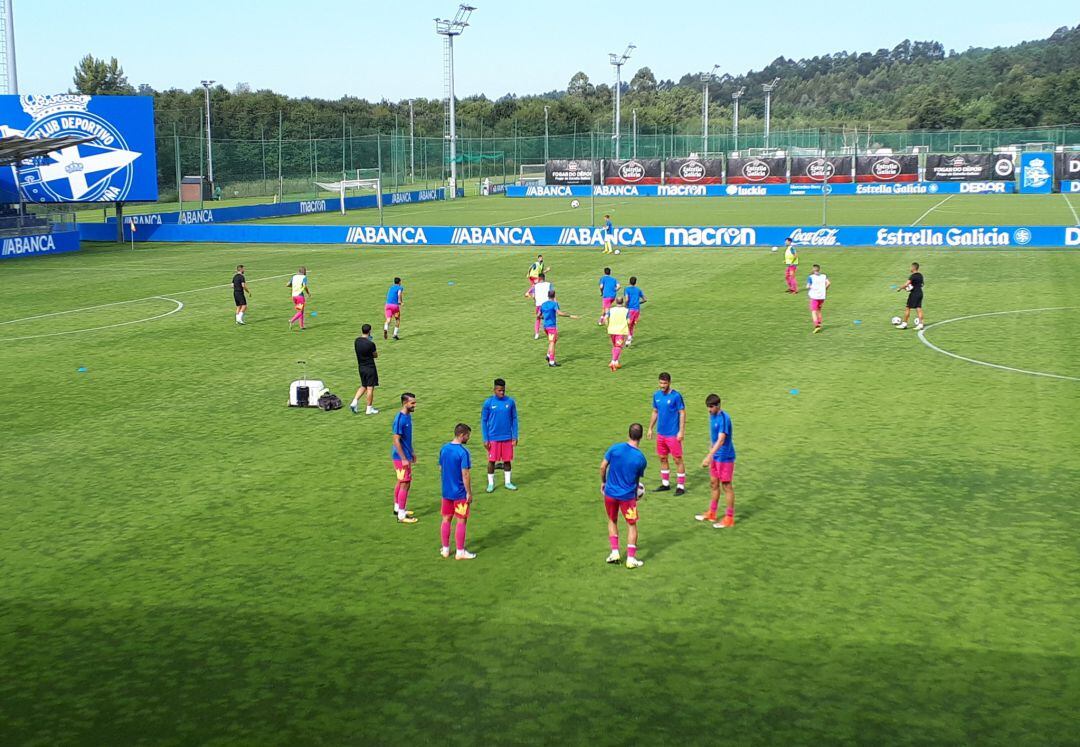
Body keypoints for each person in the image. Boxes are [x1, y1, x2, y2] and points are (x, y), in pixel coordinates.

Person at [600, 422, 648, 569]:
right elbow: (636, 479)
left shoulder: (615, 448)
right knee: (631, 525)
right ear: (640, 437)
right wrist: (635, 494)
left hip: (610, 494)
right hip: (627, 497)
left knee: (612, 520)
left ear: (628, 434)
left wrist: (604, 482)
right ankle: (631, 559)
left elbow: (602, 467)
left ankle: (615, 552)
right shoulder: (641, 459)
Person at [696, 394, 736, 528]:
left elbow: (721, 439)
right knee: (713, 484)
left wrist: (709, 456)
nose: (709, 410)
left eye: (711, 407)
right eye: (708, 407)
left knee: (726, 486)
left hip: (725, 457)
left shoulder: (724, 418)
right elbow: (713, 437)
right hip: (716, 456)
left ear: (718, 406)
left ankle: (729, 518)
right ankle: (712, 513)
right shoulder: (712, 416)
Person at [438, 423, 476, 560]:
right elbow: (465, 474)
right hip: (459, 493)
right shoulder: (463, 452)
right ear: (461, 435)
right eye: (467, 436)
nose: (468, 438)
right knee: (461, 521)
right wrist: (469, 492)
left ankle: (446, 550)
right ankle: (460, 552)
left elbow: (441, 468)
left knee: (446, 519)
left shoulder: (444, 449)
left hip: (446, 492)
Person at [646, 372, 687, 495]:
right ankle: (665, 484)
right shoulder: (656, 395)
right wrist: (650, 428)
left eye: (664, 383)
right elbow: (655, 412)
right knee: (662, 458)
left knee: (677, 459)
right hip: (661, 434)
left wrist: (681, 431)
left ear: (669, 383)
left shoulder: (676, 396)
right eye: (660, 383)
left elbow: (682, 413)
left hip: (673, 434)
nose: (662, 385)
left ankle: (680, 486)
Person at [480, 378, 519, 492]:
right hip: (493, 438)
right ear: (494, 390)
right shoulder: (488, 403)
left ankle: (508, 482)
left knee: (507, 461)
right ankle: (491, 484)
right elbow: (483, 421)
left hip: (507, 437)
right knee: (492, 461)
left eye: (503, 390)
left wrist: (515, 436)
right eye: (499, 390)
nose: (502, 392)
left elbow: (514, 419)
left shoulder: (510, 402)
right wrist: (485, 439)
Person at [391, 393, 418, 524]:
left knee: (401, 481)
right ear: (404, 403)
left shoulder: (408, 416)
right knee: (405, 483)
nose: (414, 405)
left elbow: (406, 439)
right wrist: (403, 458)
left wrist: (411, 452)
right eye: (412, 403)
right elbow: (396, 440)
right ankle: (401, 514)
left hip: (405, 455)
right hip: (400, 457)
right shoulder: (400, 419)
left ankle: (397, 507)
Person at [539, 289, 579, 367]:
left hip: (545, 327)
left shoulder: (543, 304)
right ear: (554, 296)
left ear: (548, 295)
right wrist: (570, 316)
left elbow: (538, 315)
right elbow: (559, 313)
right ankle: (551, 361)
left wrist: (544, 317)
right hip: (551, 327)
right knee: (552, 343)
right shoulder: (554, 304)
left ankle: (548, 355)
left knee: (554, 339)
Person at [350, 323, 380, 415]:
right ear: (369, 331)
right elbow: (375, 355)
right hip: (370, 367)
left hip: (361, 367)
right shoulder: (371, 344)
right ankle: (369, 409)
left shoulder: (357, 341)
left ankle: (354, 402)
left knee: (364, 385)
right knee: (370, 388)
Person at [895, 262, 925, 330]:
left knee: (908, 308)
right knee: (919, 309)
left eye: (911, 267)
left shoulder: (913, 276)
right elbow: (922, 284)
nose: (910, 268)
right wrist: (911, 287)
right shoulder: (920, 275)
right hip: (920, 293)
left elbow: (906, 284)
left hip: (914, 294)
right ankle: (921, 324)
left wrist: (900, 288)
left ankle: (904, 324)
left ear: (913, 268)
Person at [525, 272, 553, 339]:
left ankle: (537, 334)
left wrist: (534, 300)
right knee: (548, 318)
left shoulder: (535, 286)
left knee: (538, 318)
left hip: (538, 304)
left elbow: (528, 295)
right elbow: (552, 294)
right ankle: (550, 333)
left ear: (539, 278)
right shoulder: (549, 284)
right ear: (544, 278)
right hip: (547, 304)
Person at [606, 296, 631, 372]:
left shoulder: (611, 310)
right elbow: (629, 321)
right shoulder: (626, 310)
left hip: (611, 330)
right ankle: (613, 362)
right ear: (622, 302)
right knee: (618, 346)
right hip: (620, 331)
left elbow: (605, 319)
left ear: (616, 302)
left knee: (615, 346)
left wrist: (608, 325)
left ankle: (616, 361)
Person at [806, 264, 830, 333]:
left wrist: (811, 287)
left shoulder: (810, 277)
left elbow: (807, 286)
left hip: (814, 296)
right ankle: (819, 323)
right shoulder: (824, 276)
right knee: (819, 310)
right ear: (819, 269)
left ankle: (817, 326)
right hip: (822, 296)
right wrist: (824, 289)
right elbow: (828, 283)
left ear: (813, 270)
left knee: (813, 311)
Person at [623, 276, 647, 344]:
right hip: (637, 309)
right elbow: (645, 299)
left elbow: (627, 299)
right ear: (635, 283)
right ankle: (630, 337)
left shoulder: (627, 289)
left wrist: (625, 306)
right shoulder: (638, 290)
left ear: (629, 281)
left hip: (630, 309)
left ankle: (629, 337)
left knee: (627, 323)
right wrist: (638, 303)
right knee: (632, 324)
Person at [287, 266, 310, 330]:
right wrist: (308, 293)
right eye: (305, 271)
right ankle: (292, 320)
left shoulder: (294, 277)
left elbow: (287, 284)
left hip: (294, 296)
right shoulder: (304, 277)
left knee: (300, 311)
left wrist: (293, 286)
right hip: (300, 296)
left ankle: (301, 326)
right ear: (303, 271)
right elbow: (305, 286)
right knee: (300, 312)